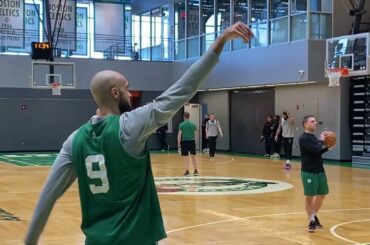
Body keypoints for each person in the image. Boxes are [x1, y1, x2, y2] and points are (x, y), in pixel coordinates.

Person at [24, 22, 254, 245]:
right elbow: (185, 88)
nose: (130, 94)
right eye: (126, 88)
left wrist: (31, 240)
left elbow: (48, 195)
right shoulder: (130, 126)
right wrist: (221, 41)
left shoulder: (73, 141)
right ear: (115, 93)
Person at [299, 115, 333, 233]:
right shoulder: (303, 138)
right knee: (310, 196)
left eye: (315, 121)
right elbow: (316, 150)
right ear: (305, 124)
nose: (315, 123)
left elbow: (318, 152)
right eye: (312, 121)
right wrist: (322, 140)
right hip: (309, 172)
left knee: (322, 195)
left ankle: (313, 215)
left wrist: (328, 148)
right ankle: (312, 221)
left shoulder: (313, 137)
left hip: (320, 171)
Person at [177, 112, 198, 176]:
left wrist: (178, 143)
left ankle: (187, 171)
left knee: (186, 157)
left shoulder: (181, 124)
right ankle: (196, 171)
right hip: (192, 141)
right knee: (194, 157)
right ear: (189, 116)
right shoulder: (193, 124)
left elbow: (179, 134)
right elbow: (195, 134)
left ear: (183, 117)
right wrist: (195, 142)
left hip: (184, 142)